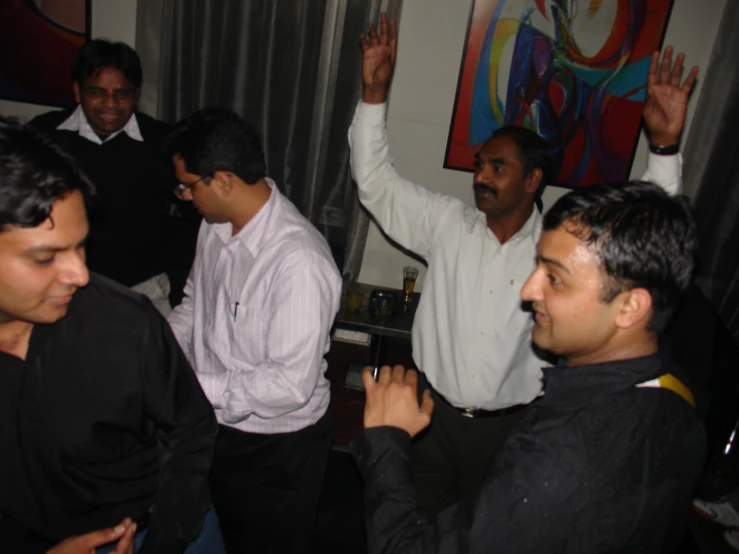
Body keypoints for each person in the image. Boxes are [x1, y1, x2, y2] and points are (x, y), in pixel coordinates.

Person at [350, 13, 699, 514]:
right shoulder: (447, 225)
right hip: (430, 417)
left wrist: (663, 147)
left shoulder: (560, 250)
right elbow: (375, 182)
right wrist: (373, 94)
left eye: (497, 167)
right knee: (415, 527)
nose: (480, 177)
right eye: (479, 166)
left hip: (509, 429)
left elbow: (643, 235)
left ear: (533, 180)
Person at [350, 180, 706, 553]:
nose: (528, 290)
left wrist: (387, 438)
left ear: (630, 306)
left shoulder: (561, 461)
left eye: (554, 277)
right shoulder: (676, 391)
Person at [0, 118, 224, 554]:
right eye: (46, 258)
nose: (79, 274)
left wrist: (163, 542)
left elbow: (191, 427)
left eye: (81, 245)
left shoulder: (123, 321)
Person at [166, 108, 343, 554]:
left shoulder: (298, 261)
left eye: (190, 186)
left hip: (276, 448)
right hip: (215, 422)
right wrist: (160, 351)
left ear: (224, 180)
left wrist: (184, 385)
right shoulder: (214, 226)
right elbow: (194, 303)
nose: (184, 197)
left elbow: (287, 384)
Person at [28, 39, 198, 305]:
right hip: (61, 284)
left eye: (122, 94)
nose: (110, 104)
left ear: (136, 93)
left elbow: (194, 212)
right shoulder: (44, 135)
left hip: (142, 289)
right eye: (97, 92)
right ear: (77, 91)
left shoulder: (162, 141)